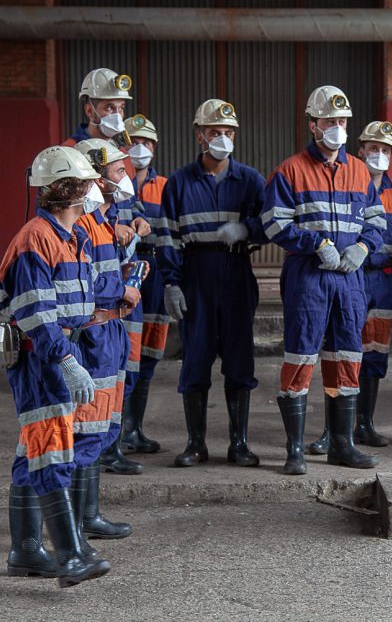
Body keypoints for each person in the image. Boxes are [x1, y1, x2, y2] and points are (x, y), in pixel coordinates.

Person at [0, 145, 110, 587]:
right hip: (41, 358)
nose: (94, 193)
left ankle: (25, 551)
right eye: (89, 185)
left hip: (59, 352)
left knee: (33, 450)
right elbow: (37, 311)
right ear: (73, 189)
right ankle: (70, 555)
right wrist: (65, 360)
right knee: (50, 450)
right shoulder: (35, 239)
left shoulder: (71, 236)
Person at [262, 85, 386, 474]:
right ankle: (295, 449)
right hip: (308, 276)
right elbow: (273, 223)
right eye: (330, 121)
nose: (337, 128)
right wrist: (315, 243)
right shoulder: (289, 170)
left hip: (349, 279)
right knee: (301, 355)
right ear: (313, 124)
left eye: (342, 121)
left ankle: (342, 444)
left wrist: (363, 249)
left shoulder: (360, 171)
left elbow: (377, 222)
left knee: (347, 356)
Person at [157, 99, 265, 469]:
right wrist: (171, 283)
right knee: (196, 360)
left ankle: (239, 444)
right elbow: (168, 237)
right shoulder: (178, 183)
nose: (222, 137)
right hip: (195, 274)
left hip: (236, 273)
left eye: (228, 132)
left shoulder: (250, 180)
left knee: (239, 361)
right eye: (215, 132)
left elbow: (270, 225)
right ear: (199, 134)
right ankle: (196, 444)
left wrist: (247, 228)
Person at [306, 120, 392, 453]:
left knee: (374, 354)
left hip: (382, 281)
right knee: (337, 351)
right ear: (361, 149)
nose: (379, 155)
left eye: (386, 150)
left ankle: (364, 424)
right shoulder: (345, 185)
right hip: (346, 277)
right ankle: (330, 430)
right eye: (373, 148)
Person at [71, 138, 143, 549]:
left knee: (102, 427)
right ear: (97, 177)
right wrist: (122, 292)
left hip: (111, 333)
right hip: (94, 334)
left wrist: (129, 273)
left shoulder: (104, 221)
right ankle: (78, 525)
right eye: (119, 171)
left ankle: (90, 516)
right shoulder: (84, 224)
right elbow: (82, 284)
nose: (126, 178)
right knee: (86, 428)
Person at [63, 67, 152, 274]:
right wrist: (111, 227)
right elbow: (64, 211)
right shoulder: (70, 153)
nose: (118, 115)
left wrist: (137, 219)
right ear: (89, 110)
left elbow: (131, 200)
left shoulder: (122, 153)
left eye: (121, 108)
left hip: (125, 255)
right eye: (109, 108)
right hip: (90, 255)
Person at [119, 114, 168, 455]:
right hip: (125, 272)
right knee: (125, 353)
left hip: (158, 272)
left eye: (147, 142)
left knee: (150, 350)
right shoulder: (115, 183)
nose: (141, 148)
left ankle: (135, 428)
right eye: (134, 141)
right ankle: (118, 432)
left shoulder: (165, 185)